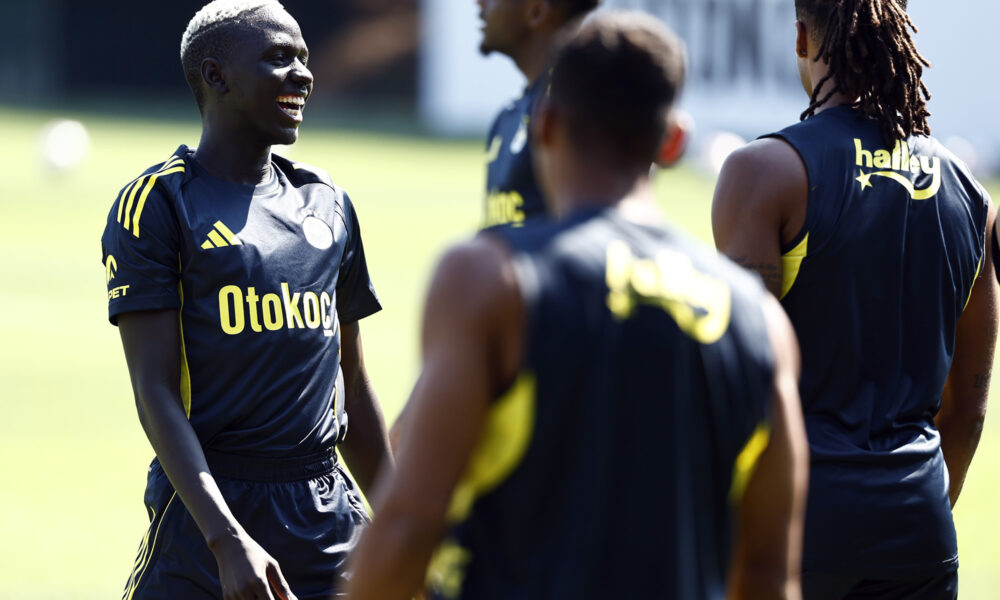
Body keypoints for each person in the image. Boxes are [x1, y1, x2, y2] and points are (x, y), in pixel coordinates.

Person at [345, 13, 809, 600]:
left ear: (544, 124)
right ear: (672, 143)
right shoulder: (759, 320)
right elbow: (769, 572)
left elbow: (409, 526)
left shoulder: (489, 279)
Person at [101, 2, 392, 598]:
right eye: (279, 58)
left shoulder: (326, 201)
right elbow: (154, 391)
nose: (303, 74)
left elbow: (353, 383)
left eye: (304, 59)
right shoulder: (159, 203)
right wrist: (227, 541)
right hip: (207, 518)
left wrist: (404, 527)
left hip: (326, 516)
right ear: (216, 75)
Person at [711, 1, 998, 598]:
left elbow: (741, 386)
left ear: (801, 37)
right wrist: (908, 513)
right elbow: (967, 410)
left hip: (799, 529)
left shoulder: (762, 173)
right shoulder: (972, 197)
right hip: (919, 530)